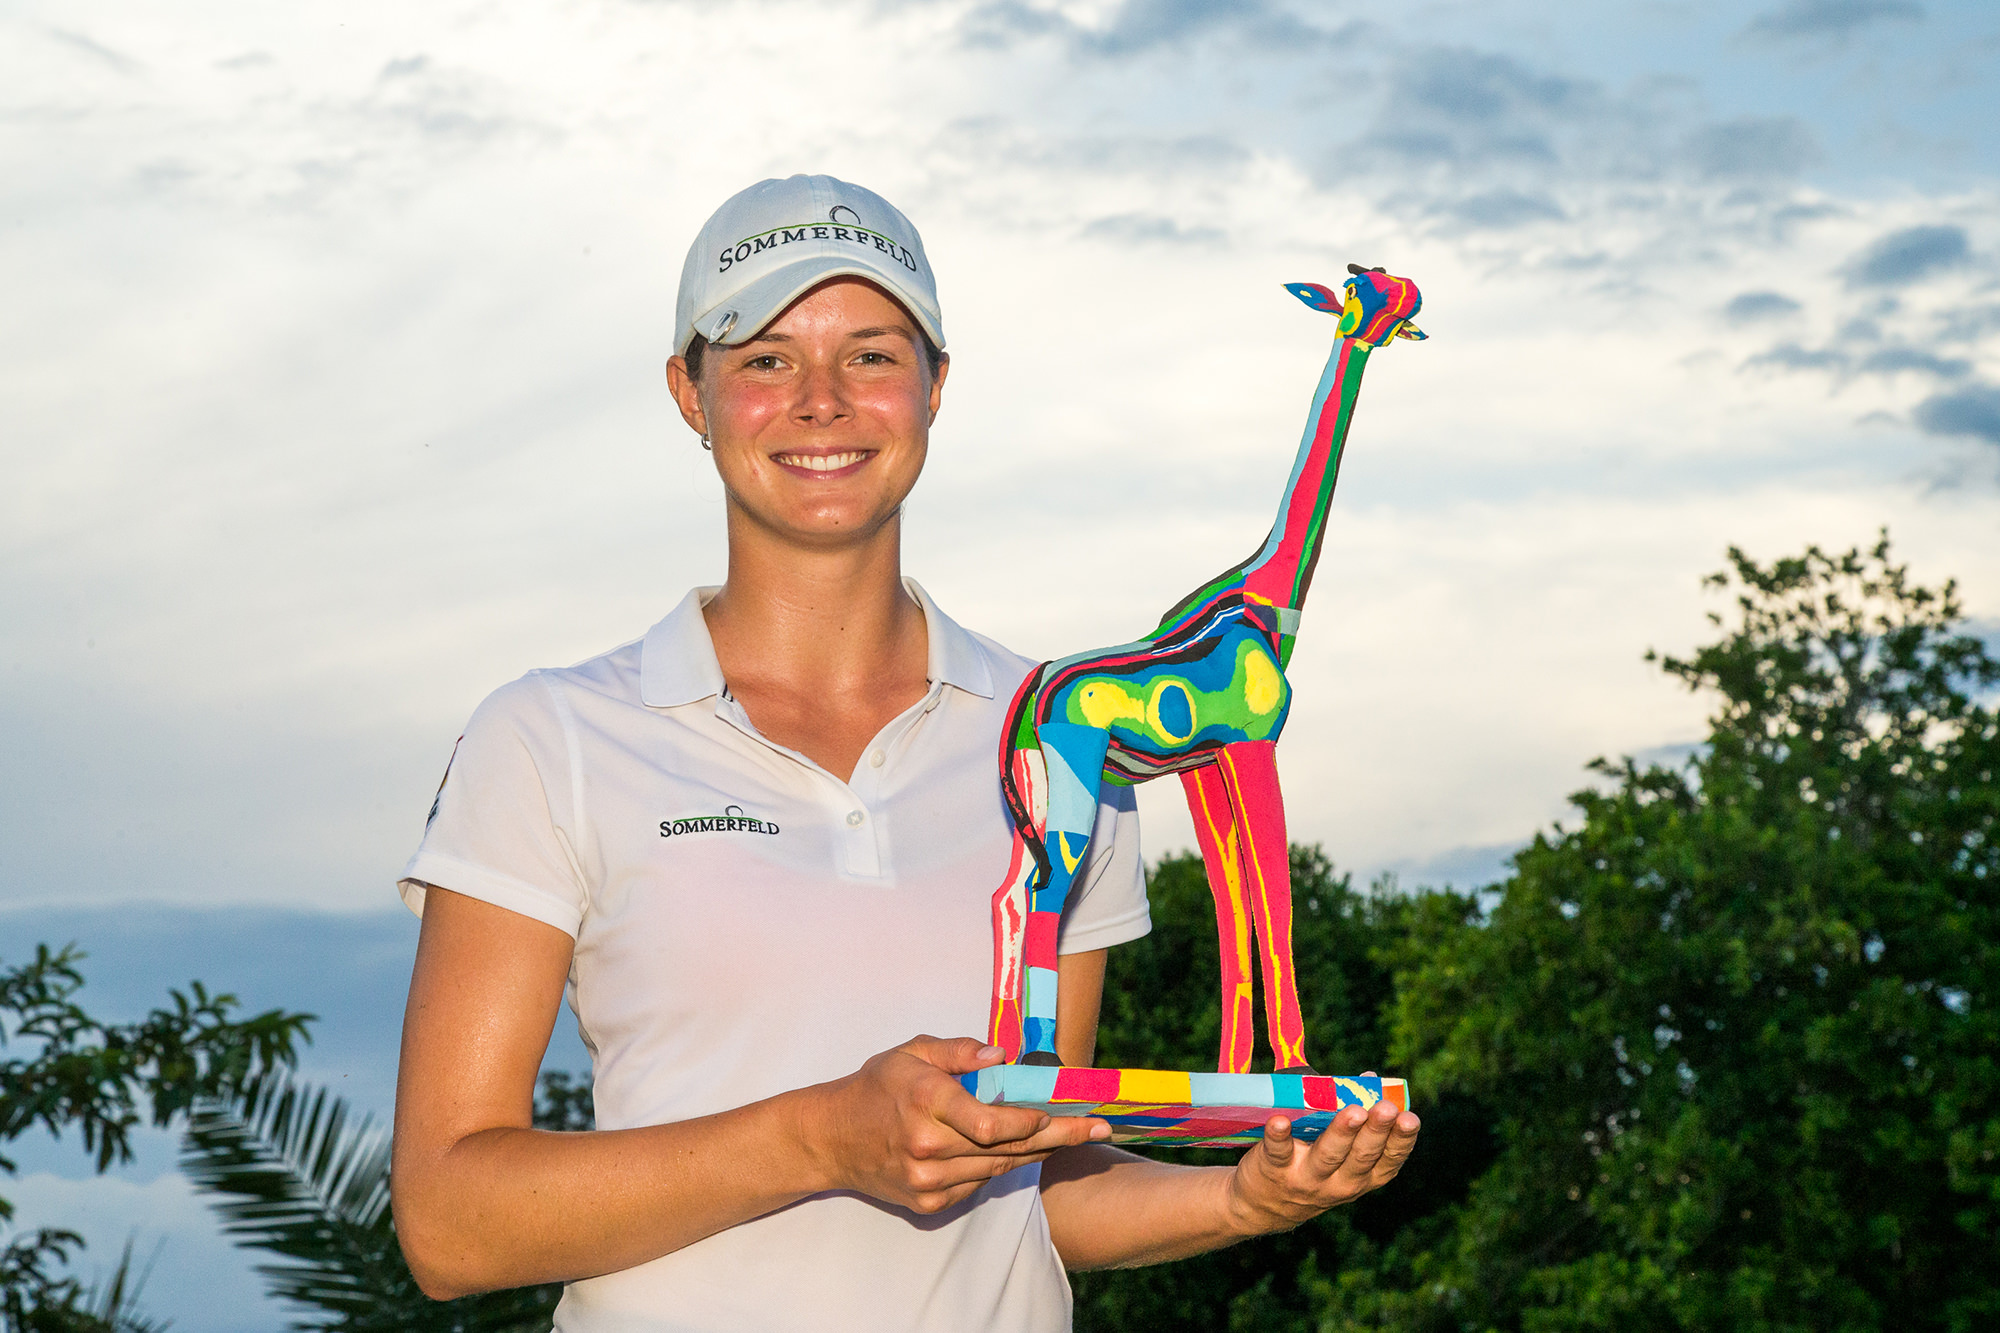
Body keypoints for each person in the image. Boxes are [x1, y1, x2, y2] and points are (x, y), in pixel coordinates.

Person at [391, 173, 1421, 1332]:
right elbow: (448, 1223)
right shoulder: (553, 738)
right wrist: (821, 1136)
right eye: (766, 358)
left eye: (873, 355)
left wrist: (1239, 1200)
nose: (821, 400)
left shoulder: (1069, 728)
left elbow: (1039, 1175)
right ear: (690, 391)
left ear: (936, 386)